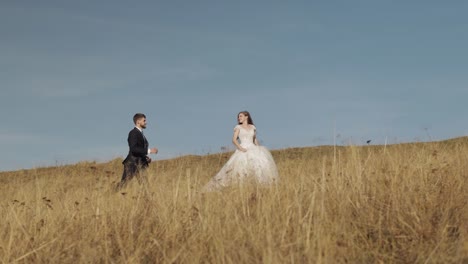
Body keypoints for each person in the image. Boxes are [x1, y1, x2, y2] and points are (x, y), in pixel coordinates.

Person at [202, 111, 278, 191]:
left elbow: (254, 139)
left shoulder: (252, 127)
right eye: (238, 117)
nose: (239, 118)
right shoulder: (238, 127)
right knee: (241, 167)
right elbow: (234, 140)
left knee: (258, 166)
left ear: (246, 117)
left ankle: (259, 186)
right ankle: (240, 187)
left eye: (241, 116)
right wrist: (241, 148)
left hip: (253, 148)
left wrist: (258, 148)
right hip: (243, 148)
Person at [116, 113, 158, 190]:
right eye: (144, 120)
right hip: (132, 164)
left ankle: (147, 201)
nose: (146, 122)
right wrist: (149, 151)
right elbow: (133, 149)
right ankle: (109, 195)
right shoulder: (133, 133)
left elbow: (139, 150)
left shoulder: (141, 134)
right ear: (138, 121)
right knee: (123, 185)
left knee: (145, 187)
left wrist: (145, 158)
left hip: (140, 164)